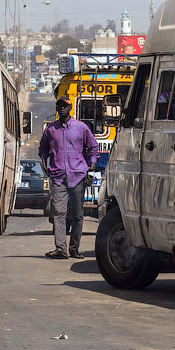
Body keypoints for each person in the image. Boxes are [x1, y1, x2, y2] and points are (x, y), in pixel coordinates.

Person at [39, 96, 99, 259]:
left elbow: (93, 146)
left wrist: (92, 163)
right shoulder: (51, 130)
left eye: (65, 106)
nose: (62, 108)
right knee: (59, 212)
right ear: (57, 109)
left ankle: (74, 248)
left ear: (70, 108)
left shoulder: (81, 128)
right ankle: (61, 249)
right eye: (59, 106)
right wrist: (44, 162)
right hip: (58, 177)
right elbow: (43, 149)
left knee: (78, 214)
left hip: (78, 176)